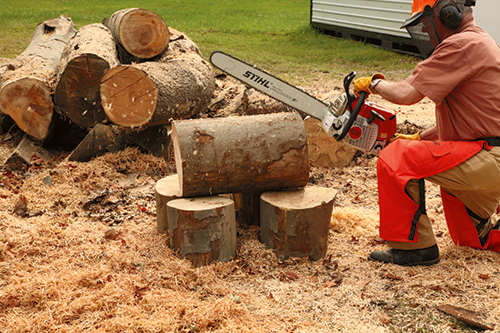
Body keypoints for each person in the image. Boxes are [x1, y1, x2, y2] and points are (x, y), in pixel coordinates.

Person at [353, 0, 500, 266]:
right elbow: (472, 121)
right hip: (488, 156)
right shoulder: (479, 41)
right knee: (472, 238)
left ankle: (414, 249)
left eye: (425, 23)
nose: (425, 31)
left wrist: (374, 83)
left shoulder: (459, 45)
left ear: (447, 14)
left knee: (395, 157)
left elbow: (406, 94)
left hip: (488, 159)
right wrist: (420, 139)